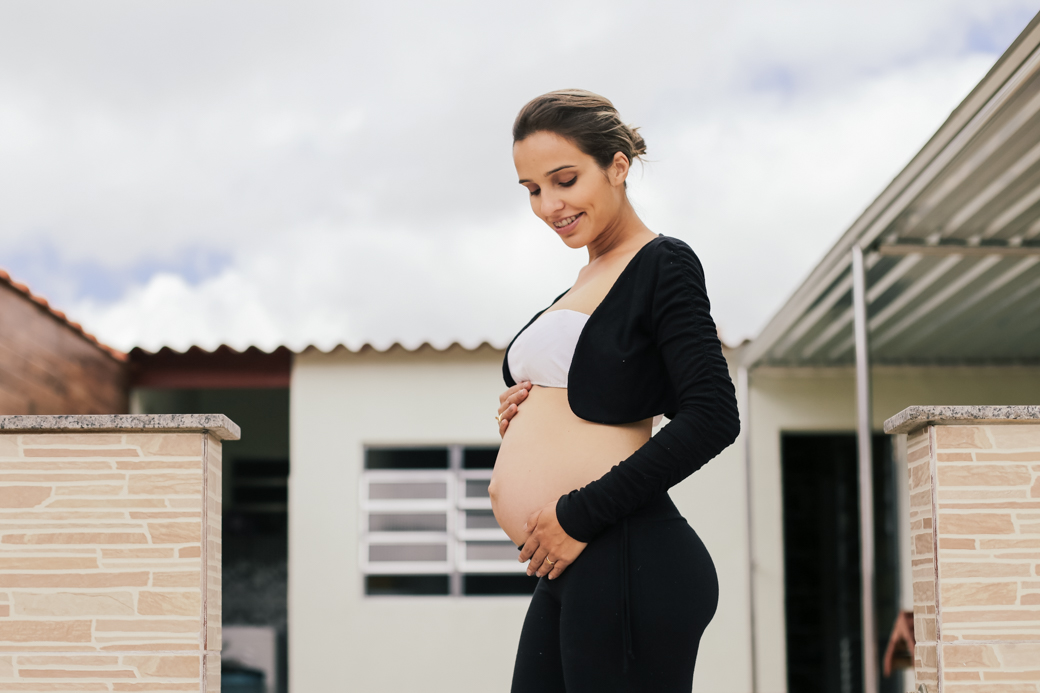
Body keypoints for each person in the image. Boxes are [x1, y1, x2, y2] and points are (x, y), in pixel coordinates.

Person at [489, 89, 740, 692]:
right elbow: (601, 394)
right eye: (532, 190)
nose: (549, 205)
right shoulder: (584, 278)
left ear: (618, 166)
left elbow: (712, 415)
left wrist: (578, 513)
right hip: (575, 562)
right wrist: (526, 413)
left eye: (565, 180)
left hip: (625, 552)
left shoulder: (663, 264)